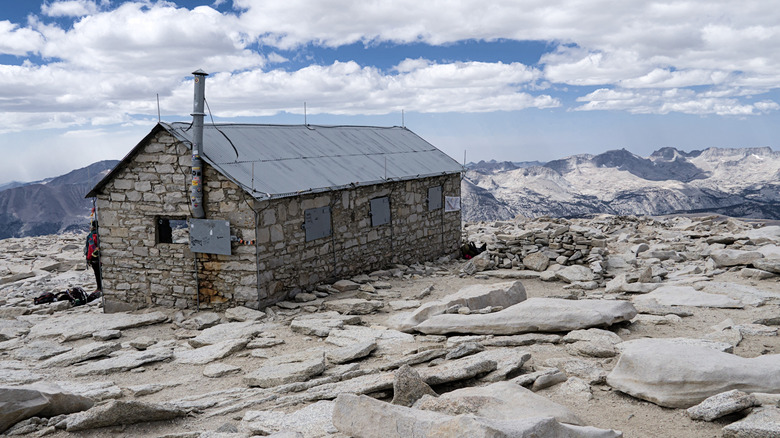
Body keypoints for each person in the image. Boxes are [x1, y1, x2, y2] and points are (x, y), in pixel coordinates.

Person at [85, 223, 103, 292]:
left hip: (94, 257)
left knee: (97, 273)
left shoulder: (91, 236)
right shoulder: (101, 234)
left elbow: (90, 248)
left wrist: (88, 258)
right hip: (101, 256)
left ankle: (99, 288)